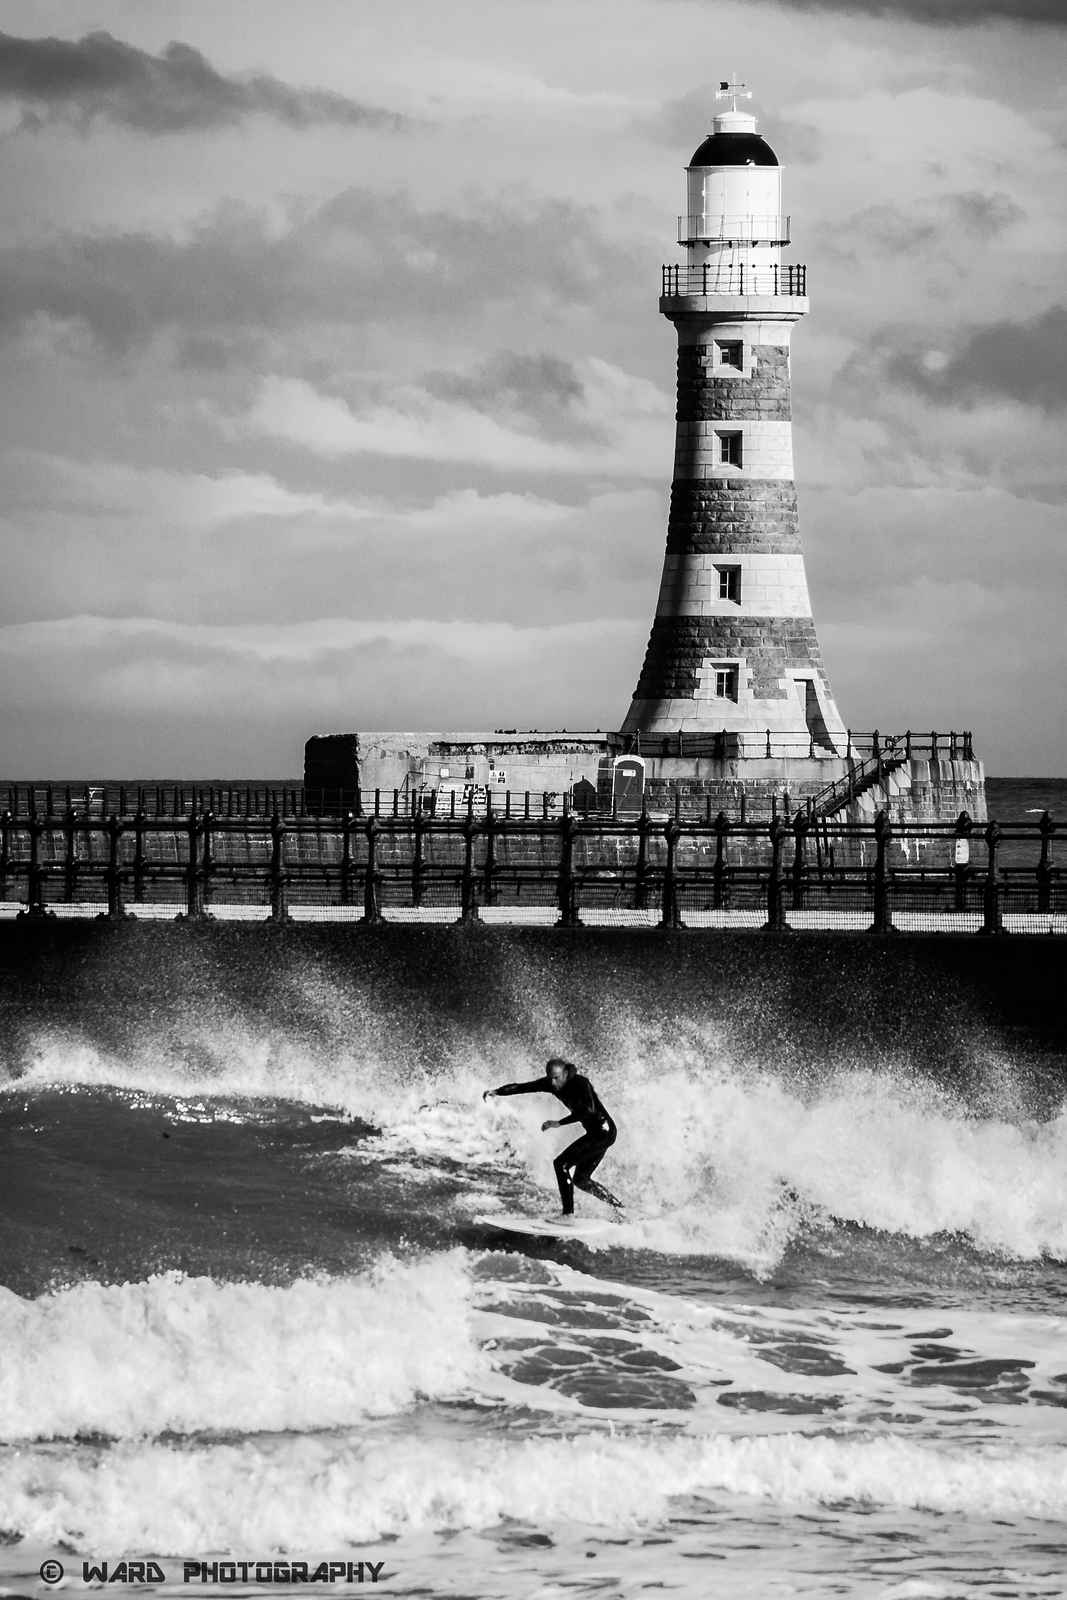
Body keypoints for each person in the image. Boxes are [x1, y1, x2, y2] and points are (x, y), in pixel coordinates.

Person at [484, 1057, 622, 1217]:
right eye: (550, 1078)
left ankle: (567, 1215)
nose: (553, 1083)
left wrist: (558, 1123)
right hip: (599, 1133)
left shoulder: (580, 1083)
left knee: (561, 1164)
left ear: (565, 1073)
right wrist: (497, 1092)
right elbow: (523, 1087)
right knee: (581, 1179)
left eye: (556, 1078)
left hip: (603, 1131)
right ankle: (619, 1208)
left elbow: (588, 1110)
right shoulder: (551, 1084)